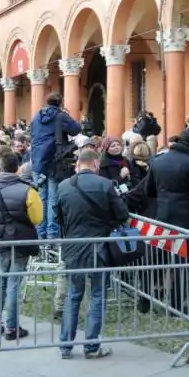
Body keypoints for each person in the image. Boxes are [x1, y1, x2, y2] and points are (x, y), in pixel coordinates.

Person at [54, 148, 128, 360]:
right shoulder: (105, 185)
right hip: (99, 247)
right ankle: (92, 346)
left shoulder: (63, 186)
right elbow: (122, 214)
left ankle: (65, 346)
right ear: (95, 165)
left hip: (73, 247)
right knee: (97, 296)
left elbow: (57, 216)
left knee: (73, 295)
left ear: (78, 164)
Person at [0, 151, 42, 341]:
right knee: (13, 284)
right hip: (18, 242)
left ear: (0, 167)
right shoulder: (28, 191)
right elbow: (37, 218)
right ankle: (12, 327)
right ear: (18, 167)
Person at [30, 93, 81, 239]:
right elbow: (76, 129)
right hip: (54, 162)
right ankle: (51, 240)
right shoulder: (61, 116)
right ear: (60, 103)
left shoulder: (36, 117)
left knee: (41, 201)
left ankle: (40, 240)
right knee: (53, 200)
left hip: (38, 163)